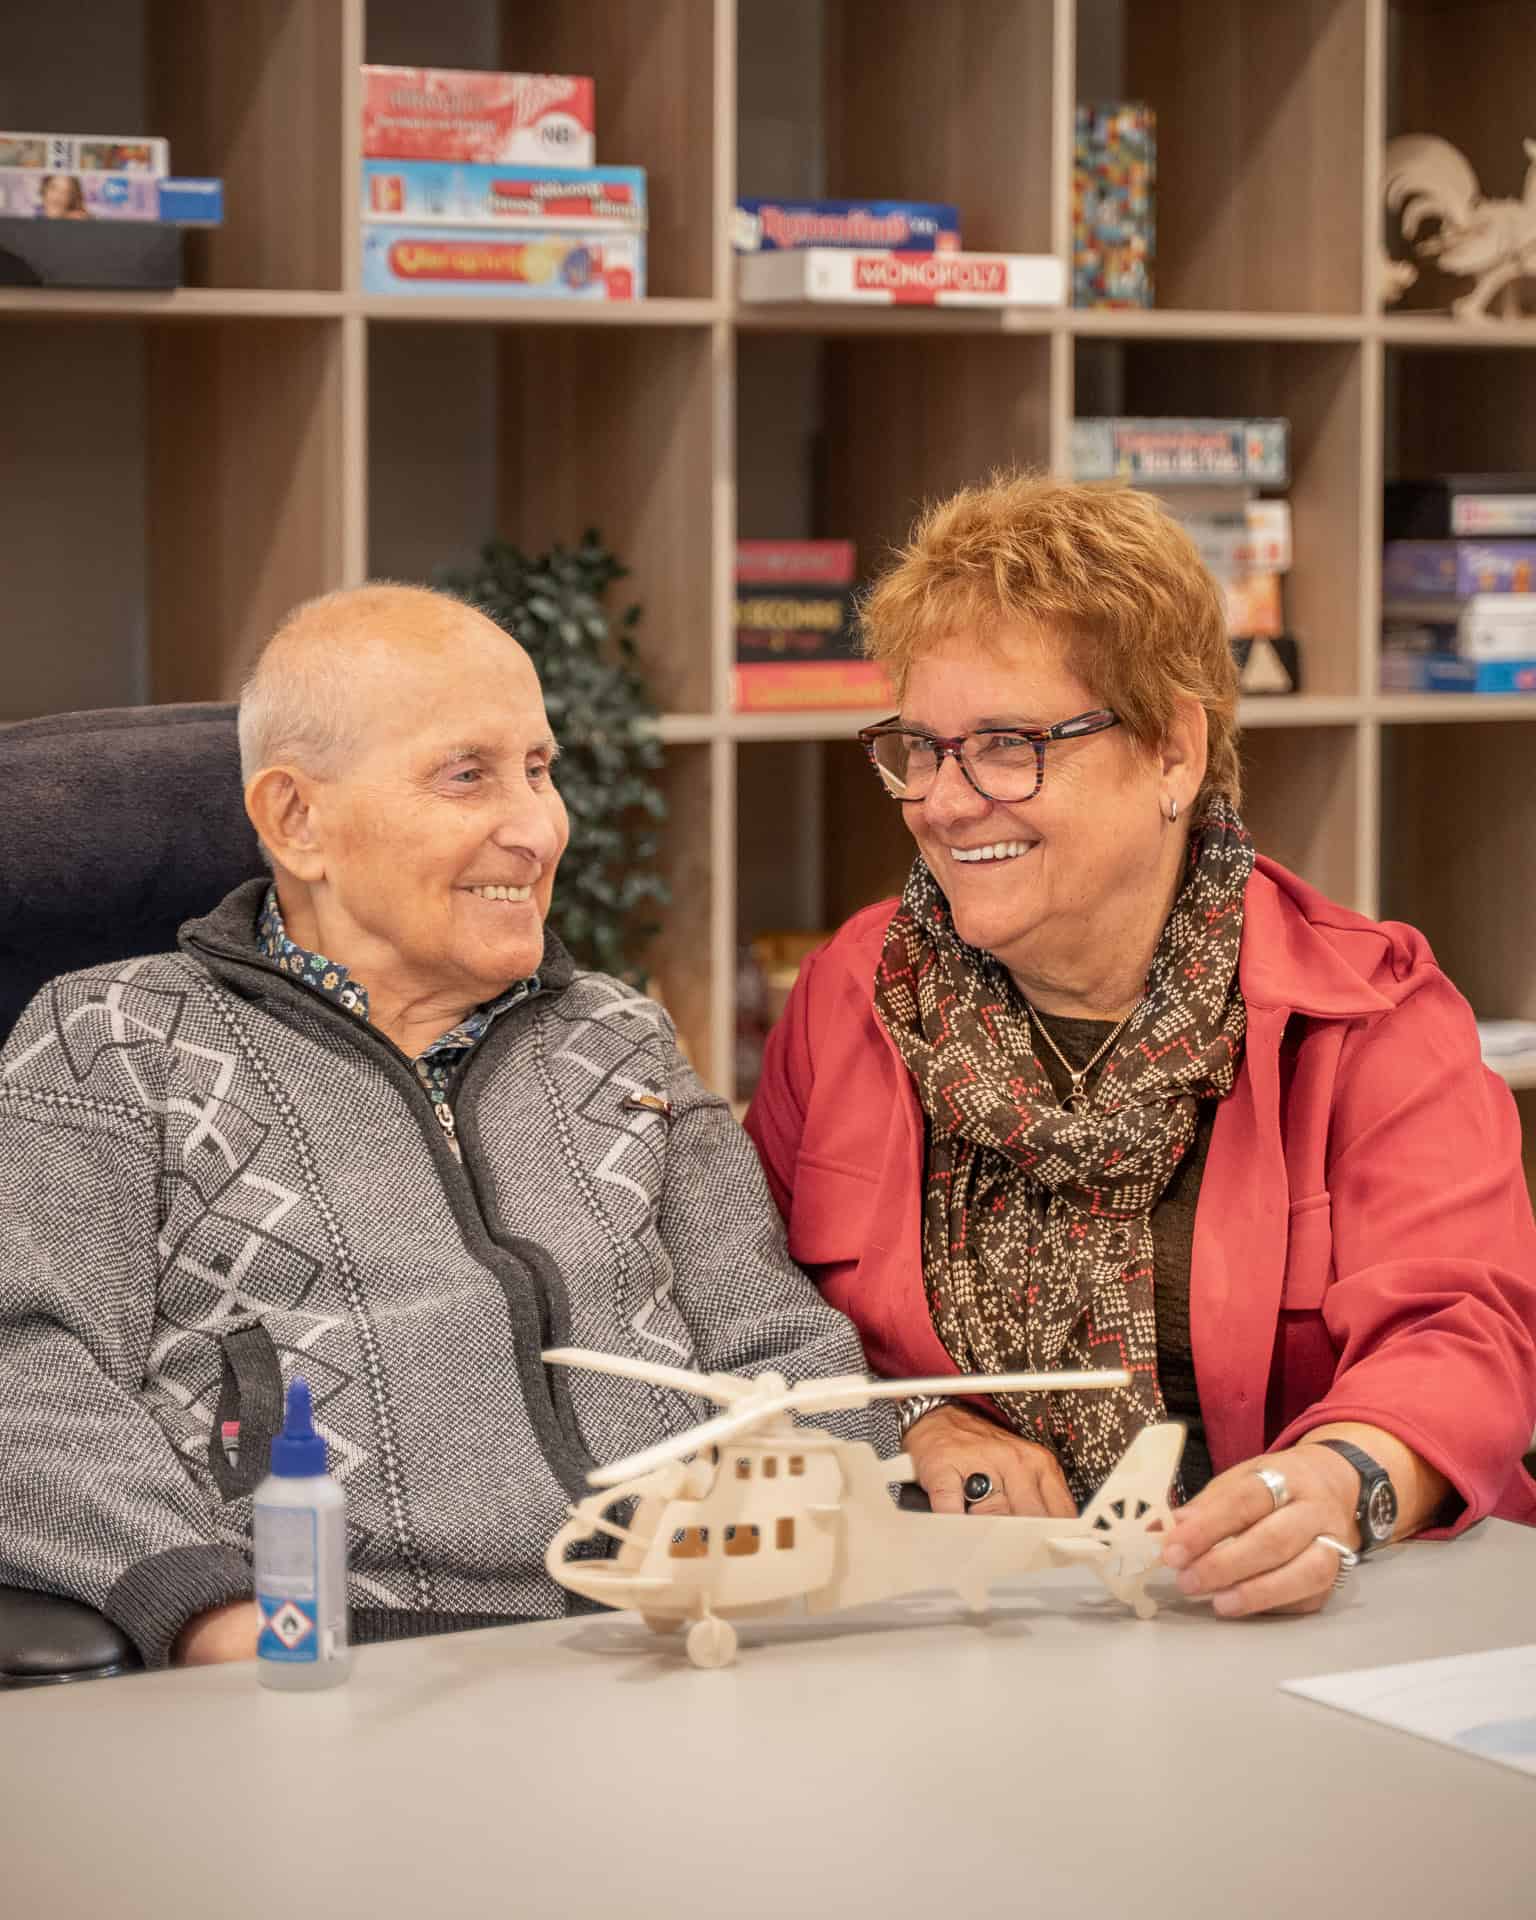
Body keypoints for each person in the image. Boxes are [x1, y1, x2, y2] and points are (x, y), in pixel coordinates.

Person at [0, 583, 892, 1668]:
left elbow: (776, 1344)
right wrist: (209, 1610)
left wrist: (837, 1574)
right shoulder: (110, 1039)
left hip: (690, 1640)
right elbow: (25, 1371)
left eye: (539, 769)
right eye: (466, 775)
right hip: (342, 1659)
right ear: (298, 819)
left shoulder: (619, 1036)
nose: (537, 827)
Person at [746, 473, 1536, 1618]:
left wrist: (1338, 1478)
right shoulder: (847, 997)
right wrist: (914, 1417)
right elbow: (753, 1304)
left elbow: (1467, 1336)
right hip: (948, 1627)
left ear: (1172, 748)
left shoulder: (1366, 1010)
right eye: (921, 748)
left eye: (1010, 745)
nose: (946, 801)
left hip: (1288, 1623)